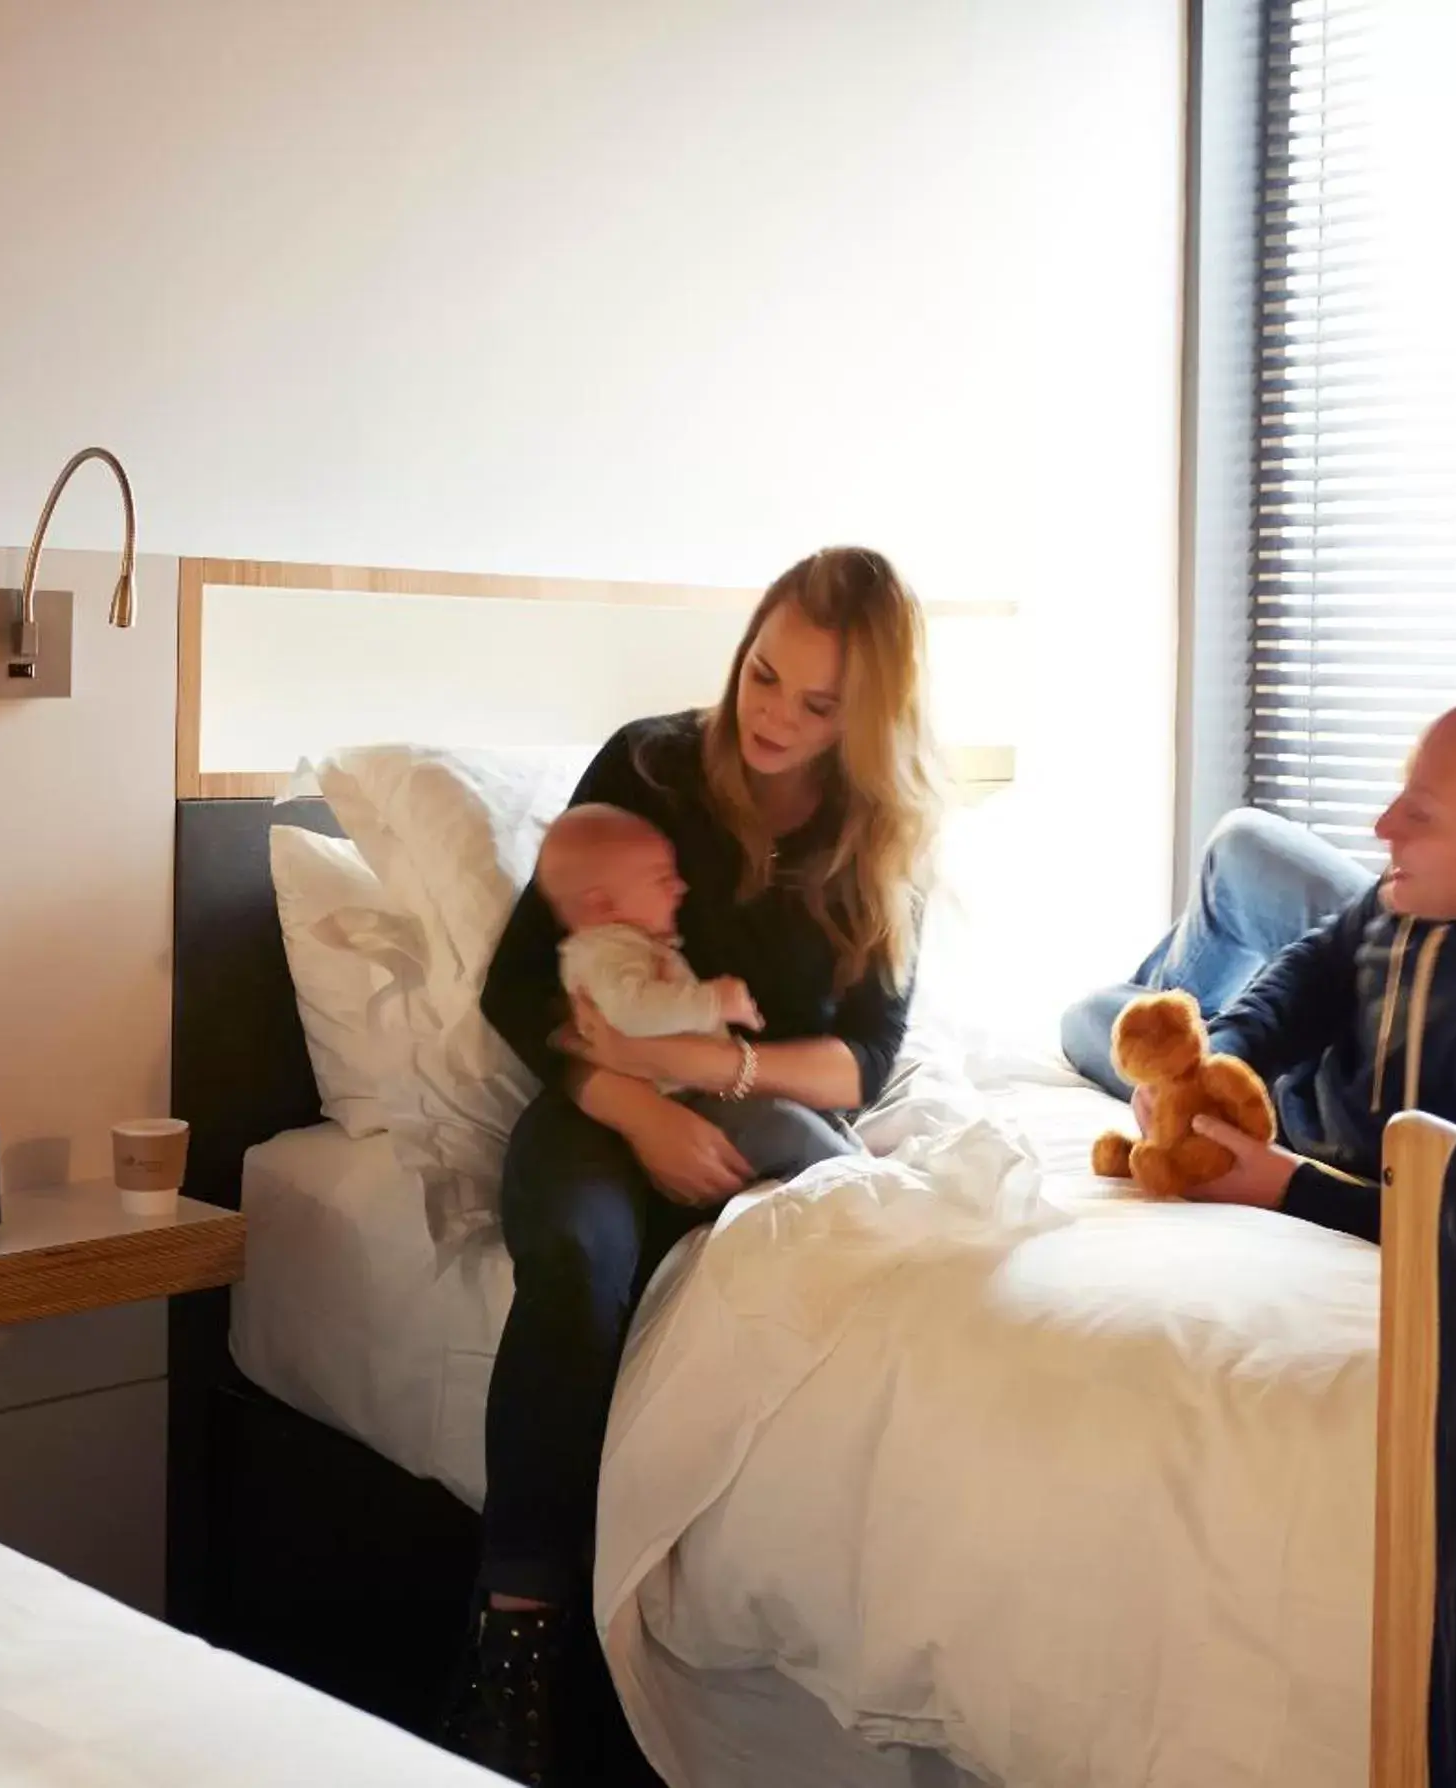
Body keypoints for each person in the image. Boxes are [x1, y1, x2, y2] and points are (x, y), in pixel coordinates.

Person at [449, 547, 943, 1783]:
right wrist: (637, 1105)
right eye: (763, 672)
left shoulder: (879, 835)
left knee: (874, 1279)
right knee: (574, 1261)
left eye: (816, 704)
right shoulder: (652, 763)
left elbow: (862, 1064)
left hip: (759, 1119)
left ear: (866, 720)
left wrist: (725, 1077)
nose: (773, 714)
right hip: (600, 1114)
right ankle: (515, 1653)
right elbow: (520, 983)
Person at [1063, 701, 1456, 1240]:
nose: (1383, 827)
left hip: (1312, 1129)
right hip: (1327, 1058)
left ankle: (1168, 1026)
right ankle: (1183, 1027)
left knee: (1088, 1020)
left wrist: (1289, 1186)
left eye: (1421, 814)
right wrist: (1227, 1056)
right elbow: (1326, 956)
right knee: (1241, 844)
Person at [537, 799, 861, 1181]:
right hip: (683, 1099)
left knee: (804, 1118)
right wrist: (713, 1001)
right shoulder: (605, 953)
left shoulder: (622, 943)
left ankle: (859, 1167)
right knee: (785, 1129)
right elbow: (634, 1012)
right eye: (661, 878)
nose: (681, 886)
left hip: (700, 1085)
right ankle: (860, 1188)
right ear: (602, 904)